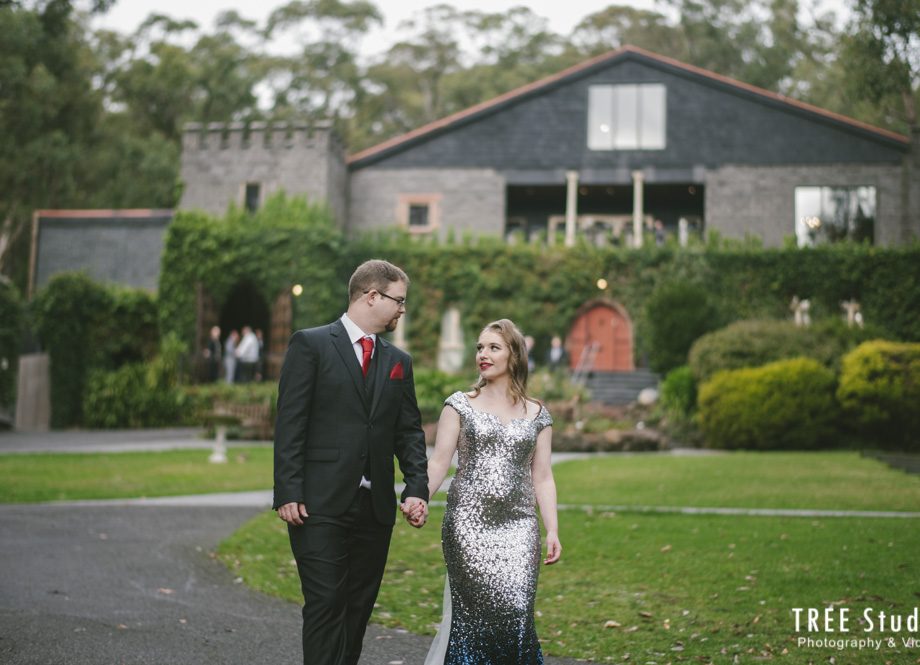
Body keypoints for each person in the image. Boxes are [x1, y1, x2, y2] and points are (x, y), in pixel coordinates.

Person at [273, 259, 430, 665]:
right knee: (326, 602)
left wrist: (416, 487)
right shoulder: (310, 344)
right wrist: (288, 490)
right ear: (371, 296)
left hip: (374, 509)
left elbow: (408, 432)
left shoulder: (399, 361)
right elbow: (291, 421)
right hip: (318, 504)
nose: (402, 310)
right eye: (398, 300)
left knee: (357, 609)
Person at [408, 318, 561, 664]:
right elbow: (439, 463)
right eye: (480, 347)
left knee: (517, 615)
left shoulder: (538, 414)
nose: (483, 354)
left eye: (493, 347)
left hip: (520, 529)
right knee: (473, 624)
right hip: (468, 528)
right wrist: (419, 498)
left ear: (514, 355)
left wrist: (552, 528)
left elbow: (543, 477)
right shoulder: (459, 405)